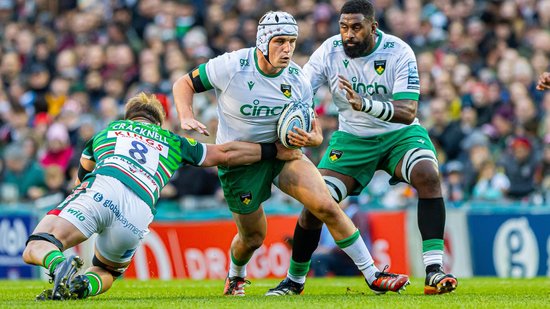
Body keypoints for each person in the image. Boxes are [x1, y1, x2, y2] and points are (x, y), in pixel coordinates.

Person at [172, 10, 409, 296]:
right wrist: (185, 116)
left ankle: (373, 274)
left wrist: (314, 136)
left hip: (285, 155)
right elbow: (183, 83)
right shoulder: (232, 65)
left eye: (292, 42)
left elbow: (314, 125)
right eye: (280, 41)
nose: (287, 49)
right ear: (263, 41)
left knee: (325, 205)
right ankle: (236, 275)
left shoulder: (297, 78)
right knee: (252, 237)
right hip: (240, 159)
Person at [22, 92, 302, 301]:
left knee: (38, 245)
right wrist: (273, 151)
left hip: (104, 186)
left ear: (128, 117)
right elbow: (224, 154)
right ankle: (81, 287)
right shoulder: (172, 141)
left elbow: (80, 179)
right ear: (159, 122)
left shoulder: (106, 132)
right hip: (139, 211)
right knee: (106, 271)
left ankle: (60, 266)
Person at [267, 0, 458, 296]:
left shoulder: (398, 51)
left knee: (428, 174)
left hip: (399, 135)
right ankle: (294, 280)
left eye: (356, 27)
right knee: (316, 204)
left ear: (373, 27)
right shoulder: (329, 51)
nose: (348, 34)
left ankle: (434, 271)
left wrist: (364, 104)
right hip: (352, 139)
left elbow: (407, 111)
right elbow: (301, 91)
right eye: (343, 27)